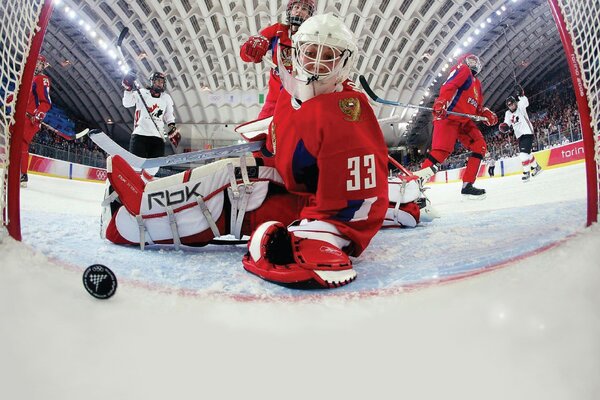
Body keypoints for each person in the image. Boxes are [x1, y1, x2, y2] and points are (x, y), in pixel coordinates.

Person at [102, 14, 426, 289]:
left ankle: (131, 221)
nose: (316, 62)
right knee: (238, 171)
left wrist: (321, 239)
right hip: (291, 183)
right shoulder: (293, 92)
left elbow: (356, 196)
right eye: (311, 51)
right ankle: (148, 197)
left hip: (305, 205)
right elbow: (286, 138)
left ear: (343, 61)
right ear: (296, 51)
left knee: (237, 188)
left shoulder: (347, 108)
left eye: (328, 55)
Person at [415, 53, 498, 199]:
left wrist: (486, 113)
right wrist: (442, 102)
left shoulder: (477, 84)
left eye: (476, 60)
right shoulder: (462, 70)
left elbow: (477, 107)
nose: (474, 63)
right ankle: (415, 184)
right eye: (471, 59)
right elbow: (449, 86)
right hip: (449, 116)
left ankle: (467, 185)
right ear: (464, 60)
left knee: (480, 146)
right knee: (441, 153)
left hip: (464, 121)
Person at [239, 0, 315, 119]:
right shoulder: (278, 30)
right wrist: (250, 49)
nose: (299, 11)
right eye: (297, 7)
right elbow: (245, 54)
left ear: (310, 15)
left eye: (304, 9)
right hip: (275, 99)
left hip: (303, 99)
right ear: (290, 10)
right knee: (261, 134)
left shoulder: (315, 37)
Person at [121, 70, 180, 174]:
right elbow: (127, 103)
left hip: (158, 137)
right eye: (157, 81)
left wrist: (172, 129)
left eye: (162, 82)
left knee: (152, 169)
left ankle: (144, 187)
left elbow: (169, 116)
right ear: (152, 82)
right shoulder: (142, 93)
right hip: (140, 135)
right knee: (136, 167)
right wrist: (128, 88)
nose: (160, 83)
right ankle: (131, 184)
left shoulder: (166, 98)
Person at [20, 55, 52, 187]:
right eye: (35, 62)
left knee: (21, 144)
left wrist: (38, 115)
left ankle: (23, 174)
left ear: (43, 65)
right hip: (22, 117)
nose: (36, 65)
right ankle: (20, 172)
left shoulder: (42, 79)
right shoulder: (29, 78)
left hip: (30, 119)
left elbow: (46, 102)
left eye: (39, 63)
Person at [499, 86, 542, 182]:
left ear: (515, 103)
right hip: (520, 136)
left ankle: (526, 173)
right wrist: (505, 126)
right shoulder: (507, 113)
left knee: (523, 154)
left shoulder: (520, 107)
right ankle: (537, 167)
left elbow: (525, 102)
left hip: (527, 132)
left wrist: (521, 95)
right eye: (509, 105)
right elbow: (507, 123)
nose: (511, 106)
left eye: (512, 104)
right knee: (528, 153)